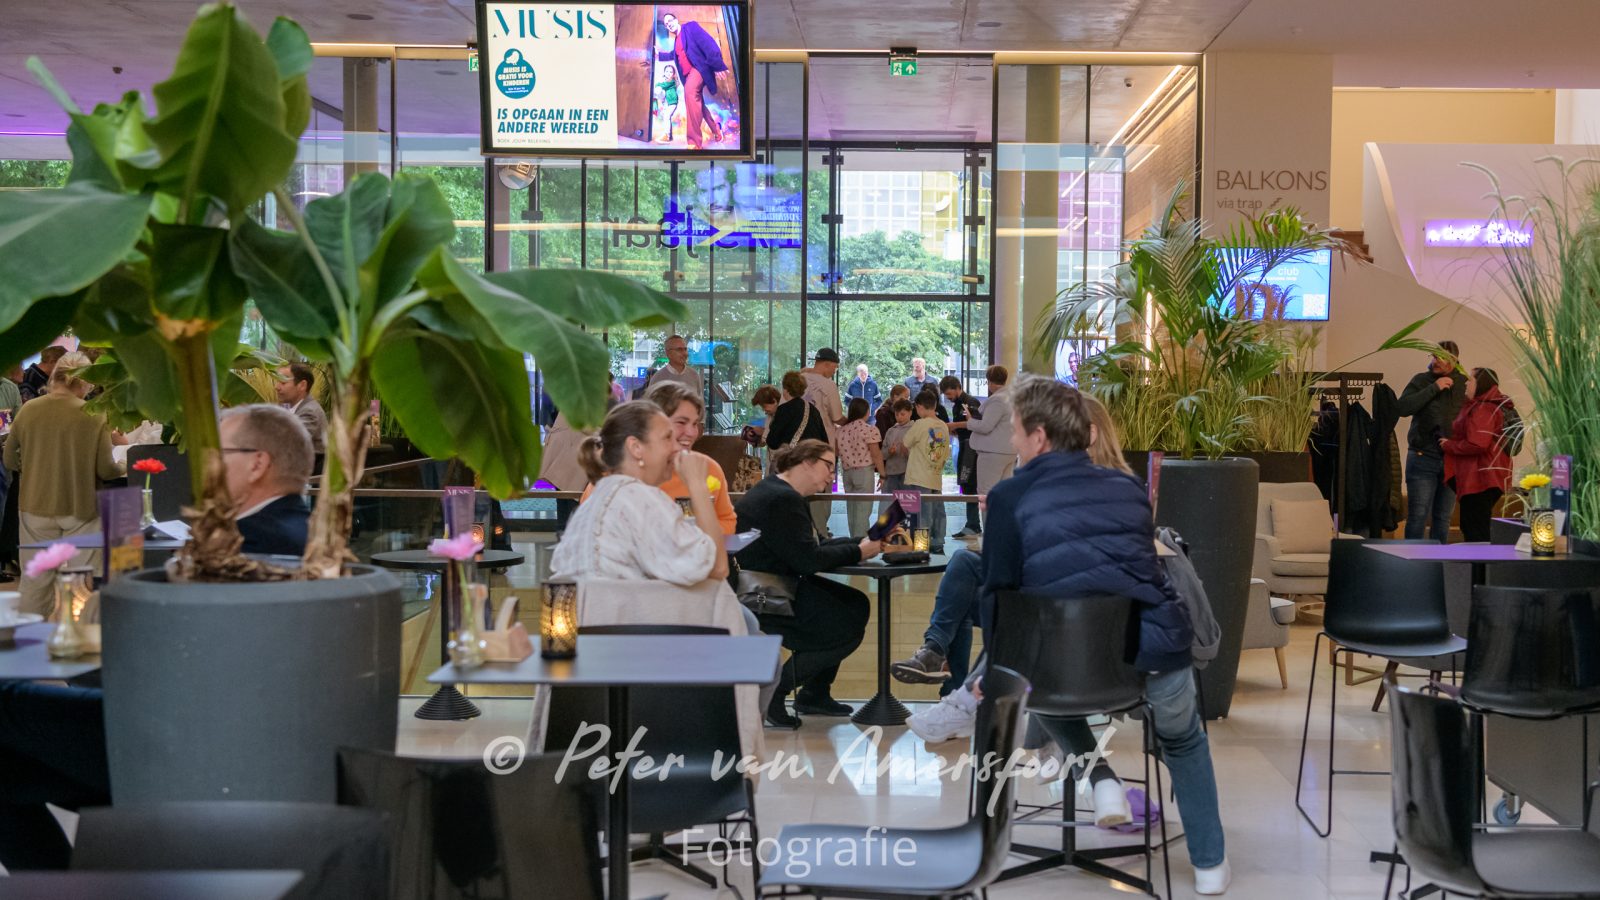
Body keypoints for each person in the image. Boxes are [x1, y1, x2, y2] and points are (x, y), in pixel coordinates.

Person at [920, 376, 1231, 893]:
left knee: (1037, 670)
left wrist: (993, 673)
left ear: (1039, 436)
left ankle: (1086, 783)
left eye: (1016, 429)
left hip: (1064, 668)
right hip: (1154, 655)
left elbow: (1001, 598)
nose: (1013, 439)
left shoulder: (1010, 496)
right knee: (1183, 741)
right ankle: (1211, 865)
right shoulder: (1128, 488)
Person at [0, 404, 313, 871]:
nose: (206, 466)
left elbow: (159, 647)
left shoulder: (244, 549)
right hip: (236, 743)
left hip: (176, 744)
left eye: (217, 454)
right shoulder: (304, 537)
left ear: (257, 463)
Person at [894, 392, 1131, 693]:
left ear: (1088, 434)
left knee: (959, 577)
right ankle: (943, 670)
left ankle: (952, 684)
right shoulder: (1103, 484)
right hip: (1054, 600)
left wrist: (1006, 526)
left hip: (1059, 610)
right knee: (961, 571)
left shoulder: (1084, 487)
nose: (1021, 441)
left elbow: (1042, 558)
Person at [734, 439, 877, 728]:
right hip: (763, 594)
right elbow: (808, 560)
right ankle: (777, 692)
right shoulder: (782, 499)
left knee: (855, 603)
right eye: (828, 466)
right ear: (807, 462)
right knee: (845, 626)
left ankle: (815, 693)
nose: (831, 476)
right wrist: (860, 551)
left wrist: (859, 542)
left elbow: (810, 546)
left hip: (768, 584)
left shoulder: (781, 491)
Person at [551, 401, 727, 585]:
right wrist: (698, 484)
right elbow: (717, 567)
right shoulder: (642, 501)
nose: (676, 448)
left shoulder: (598, 500)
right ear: (636, 448)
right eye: (667, 438)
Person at [3, 352, 121, 615]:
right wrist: (126, 464)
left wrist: (32, 467)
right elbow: (106, 469)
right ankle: (80, 634)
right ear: (84, 382)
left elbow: (9, 459)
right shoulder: (94, 414)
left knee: (35, 583)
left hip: (34, 506)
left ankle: (32, 633)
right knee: (82, 583)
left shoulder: (29, 410)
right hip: (81, 508)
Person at [581, 382, 737, 535]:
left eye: (695, 423)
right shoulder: (616, 474)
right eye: (681, 422)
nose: (691, 433)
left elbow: (727, 521)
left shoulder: (707, 468)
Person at [219, 404, 314, 557]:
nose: (210, 463)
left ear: (257, 465)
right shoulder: (314, 532)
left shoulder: (247, 543)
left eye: (220, 452)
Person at [1396, 341, 1465, 541]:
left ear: (1453, 360)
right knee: (1418, 516)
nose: (1435, 361)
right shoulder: (1421, 380)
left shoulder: (1464, 383)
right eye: (1433, 356)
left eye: (1440, 357)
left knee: (1443, 517)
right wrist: (1434, 388)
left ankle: (1439, 558)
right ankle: (1412, 559)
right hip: (1422, 456)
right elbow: (1402, 408)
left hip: (1453, 459)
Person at [1441, 367, 1514, 542]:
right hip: (1485, 477)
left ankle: (1479, 561)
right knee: (1475, 526)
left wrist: (1449, 445)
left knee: (1475, 530)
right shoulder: (1489, 405)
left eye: (1471, 380)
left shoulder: (1483, 409)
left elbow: (1477, 443)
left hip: (1479, 478)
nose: (1466, 383)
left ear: (1481, 384)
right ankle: (1478, 560)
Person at [658, 13, 729, 151]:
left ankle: (694, 143)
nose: (669, 24)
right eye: (666, 24)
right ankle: (717, 130)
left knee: (689, 92)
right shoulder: (677, 40)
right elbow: (675, 54)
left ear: (676, 20)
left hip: (698, 69)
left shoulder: (690, 27)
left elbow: (708, 43)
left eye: (670, 20)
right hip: (688, 76)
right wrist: (659, 55)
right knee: (697, 104)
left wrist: (717, 64)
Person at [961, 365, 1016, 528]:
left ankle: (990, 532)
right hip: (1008, 451)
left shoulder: (997, 399)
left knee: (986, 493)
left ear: (990, 381)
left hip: (993, 452)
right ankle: (1002, 531)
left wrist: (970, 420)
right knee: (1003, 493)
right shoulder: (1012, 397)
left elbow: (986, 426)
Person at [902, 391, 951, 554]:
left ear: (919, 407)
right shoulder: (943, 425)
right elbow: (945, 452)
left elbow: (906, 442)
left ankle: (921, 546)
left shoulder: (920, 424)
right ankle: (938, 542)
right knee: (937, 511)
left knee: (922, 513)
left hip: (919, 476)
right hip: (935, 475)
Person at [940, 375, 984, 537]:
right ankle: (972, 523)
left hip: (972, 449)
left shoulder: (970, 402)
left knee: (970, 485)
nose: (948, 397)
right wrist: (954, 430)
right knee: (966, 485)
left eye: (949, 393)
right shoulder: (957, 405)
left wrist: (953, 425)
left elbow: (976, 424)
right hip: (963, 445)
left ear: (957, 388)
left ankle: (973, 524)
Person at [836, 398, 885, 537]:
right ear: (867, 412)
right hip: (864, 472)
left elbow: (836, 452)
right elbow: (876, 454)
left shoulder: (840, 431)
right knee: (863, 511)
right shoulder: (869, 430)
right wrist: (883, 475)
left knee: (851, 510)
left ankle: (853, 541)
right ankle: (861, 544)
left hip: (847, 473)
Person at [764, 371, 829, 457]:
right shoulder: (813, 409)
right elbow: (824, 441)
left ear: (786, 389)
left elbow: (772, 442)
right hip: (814, 458)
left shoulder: (783, 409)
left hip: (794, 460)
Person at [274, 363, 326, 454]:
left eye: (283, 382)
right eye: (277, 381)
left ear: (302, 385)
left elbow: (288, 444)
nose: (277, 387)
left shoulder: (310, 412)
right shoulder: (288, 407)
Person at [646, 334, 704, 399]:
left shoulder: (694, 375)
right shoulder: (658, 378)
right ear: (668, 353)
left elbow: (700, 403)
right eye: (679, 349)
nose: (684, 353)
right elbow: (649, 404)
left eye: (685, 349)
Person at [880, 398, 915, 498]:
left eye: (902, 414)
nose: (899, 417)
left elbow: (919, 455)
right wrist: (889, 452)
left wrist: (907, 452)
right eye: (897, 414)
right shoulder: (890, 431)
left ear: (910, 413)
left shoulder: (915, 429)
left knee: (907, 503)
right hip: (891, 473)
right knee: (889, 502)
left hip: (908, 474)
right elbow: (882, 454)